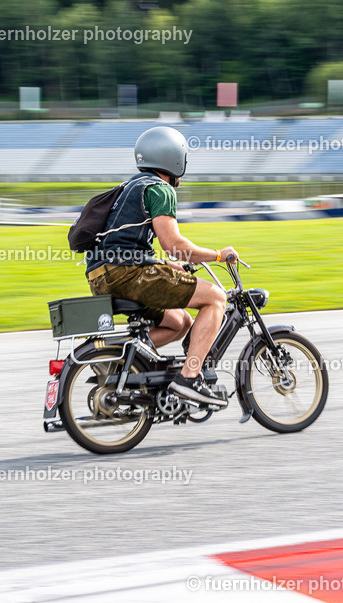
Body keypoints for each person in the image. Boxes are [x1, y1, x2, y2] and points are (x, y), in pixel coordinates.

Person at [85, 126, 238, 406]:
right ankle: (189, 379)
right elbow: (174, 243)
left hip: (101, 274)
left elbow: (126, 242)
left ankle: (125, 366)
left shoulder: (130, 187)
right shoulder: (160, 189)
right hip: (127, 274)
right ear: (174, 159)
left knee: (179, 322)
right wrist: (217, 255)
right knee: (217, 297)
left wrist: (166, 265)